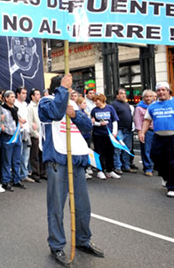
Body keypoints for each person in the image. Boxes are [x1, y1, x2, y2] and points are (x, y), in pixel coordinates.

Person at [39, 74, 103, 266]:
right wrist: (63, 92)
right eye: (68, 88)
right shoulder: (45, 102)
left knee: (83, 206)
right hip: (58, 161)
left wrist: (75, 114)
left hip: (76, 159)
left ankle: (83, 240)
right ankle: (57, 245)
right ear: (59, 88)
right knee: (57, 207)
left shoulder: (73, 105)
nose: (72, 93)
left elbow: (86, 127)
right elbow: (56, 113)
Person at [139, 82, 174, 197]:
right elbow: (147, 121)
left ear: (168, 91)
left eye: (163, 90)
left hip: (172, 137)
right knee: (156, 157)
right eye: (159, 90)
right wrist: (142, 132)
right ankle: (165, 176)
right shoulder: (152, 106)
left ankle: (171, 187)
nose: (161, 92)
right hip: (158, 137)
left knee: (172, 161)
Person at [91, 94, 120, 180]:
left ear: (102, 100)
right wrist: (98, 124)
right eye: (94, 101)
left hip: (109, 134)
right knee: (99, 153)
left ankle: (110, 169)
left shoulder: (110, 108)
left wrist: (114, 132)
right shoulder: (94, 110)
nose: (96, 103)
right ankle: (100, 170)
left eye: (97, 100)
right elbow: (92, 122)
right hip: (98, 134)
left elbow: (114, 120)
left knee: (110, 152)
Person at [1, 90, 23, 191]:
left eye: (14, 97)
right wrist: (4, 129)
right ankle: (6, 180)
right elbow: (0, 122)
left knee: (16, 160)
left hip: (17, 135)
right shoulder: (2, 109)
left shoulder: (15, 109)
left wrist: (21, 121)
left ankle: (16, 179)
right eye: (11, 97)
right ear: (6, 98)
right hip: (8, 136)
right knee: (7, 160)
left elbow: (18, 120)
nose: (13, 98)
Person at [111, 88, 135, 174]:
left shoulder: (126, 104)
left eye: (124, 93)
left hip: (128, 130)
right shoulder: (114, 105)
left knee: (127, 149)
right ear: (117, 95)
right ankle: (117, 166)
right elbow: (113, 118)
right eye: (121, 93)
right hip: (119, 130)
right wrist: (115, 130)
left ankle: (126, 166)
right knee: (118, 149)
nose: (124, 95)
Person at [15, 87, 34, 184]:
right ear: (18, 94)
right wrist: (19, 121)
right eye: (23, 93)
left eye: (26, 93)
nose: (25, 95)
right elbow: (13, 115)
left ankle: (24, 174)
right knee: (19, 154)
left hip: (27, 130)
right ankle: (17, 175)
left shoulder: (25, 104)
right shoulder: (15, 103)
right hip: (19, 131)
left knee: (26, 154)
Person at [134, 89, 155, 176]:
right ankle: (148, 168)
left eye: (150, 96)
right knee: (146, 150)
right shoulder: (139, 108)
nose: (148, 98)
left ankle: (154, 166)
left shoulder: (155, 106)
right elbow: (138, 121)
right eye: (146, 96)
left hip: (157, 131)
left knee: (155, 150)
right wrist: (140, 132)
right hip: (147, 131)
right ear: (143, 98)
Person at [27, 88, 44, 182]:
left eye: (39, 94)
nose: (39, 96)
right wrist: (35, 134)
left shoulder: (40, 105)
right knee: (35, 155)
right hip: (35, 135)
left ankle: (43, 172)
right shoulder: (30, 107)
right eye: (37, 94)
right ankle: (35, 173)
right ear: (32, 96)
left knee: (42, 154)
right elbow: (30, 122)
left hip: (42, 134)